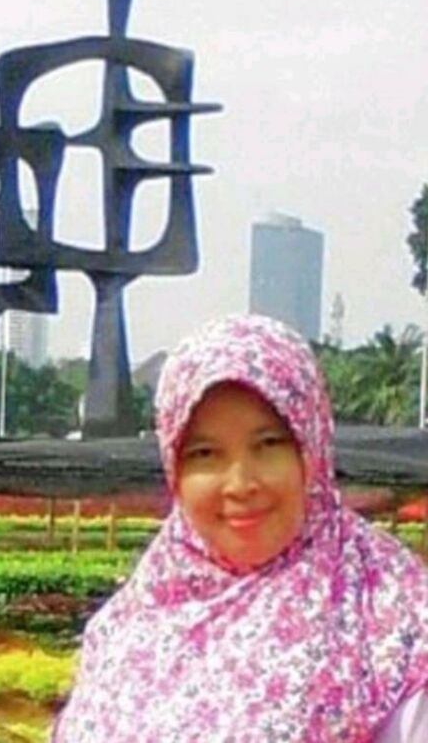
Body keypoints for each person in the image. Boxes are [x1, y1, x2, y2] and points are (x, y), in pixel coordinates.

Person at [51, 314, 428, 742]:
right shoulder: (134, 616)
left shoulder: (392, 619)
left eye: (268, 444)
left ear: (311, 445)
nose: (240, 484)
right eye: (205, 453)